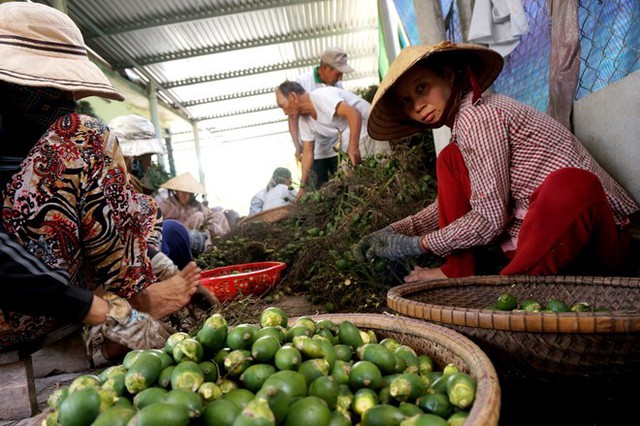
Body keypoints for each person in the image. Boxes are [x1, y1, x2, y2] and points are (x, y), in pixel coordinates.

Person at [0, 2, 200, 353]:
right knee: (86, 134)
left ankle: (132, 302)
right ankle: (133, 303)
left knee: (158, 221)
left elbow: (105, 216)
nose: (66, 101)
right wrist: (105, 312)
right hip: (17, 305)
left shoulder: (32, 144)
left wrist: (162, 268)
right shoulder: (67, 138)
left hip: (47, 299)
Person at [355, 41, 638, 282]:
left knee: (573, 185)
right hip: (534, 242)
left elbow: (488, 220)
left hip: (592, 241)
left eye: (422, 88)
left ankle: (512, 288)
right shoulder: (464, 129)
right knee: (450, 160)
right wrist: (398, 231)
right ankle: (460, 270)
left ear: (448, 76)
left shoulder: (479, 117)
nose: (417, 105)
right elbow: (476, 196)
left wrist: (419, 244)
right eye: (406, 101)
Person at [276, 81, 390, 191]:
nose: (285, 112)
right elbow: (307, 152)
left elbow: (354, 113)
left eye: (282, 106)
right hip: (352, 138)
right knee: (347, 180)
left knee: (384, 172)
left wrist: (353, 147)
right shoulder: (304, 121)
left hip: (369, 128)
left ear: (293, 97)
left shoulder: (322, 97)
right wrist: (302, 187)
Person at [288, 47, 353, 162]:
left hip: (337, 149)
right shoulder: (302, 82)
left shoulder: (337, 86)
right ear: (326, 67)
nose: (340, 79)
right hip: (313, 151)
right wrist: (297, 146)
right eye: (338, 74)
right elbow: (293, 116)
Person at [158, 172, 231, 253]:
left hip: (199, 236)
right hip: (178, 239)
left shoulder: (196, 205)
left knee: (219, 215)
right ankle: (202, 251)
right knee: (198, 215)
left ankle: (225, 246)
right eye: (184, 193)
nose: (188, 197)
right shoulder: (165, 205)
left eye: (191, 194)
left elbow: (211, 216)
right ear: (176, 191)